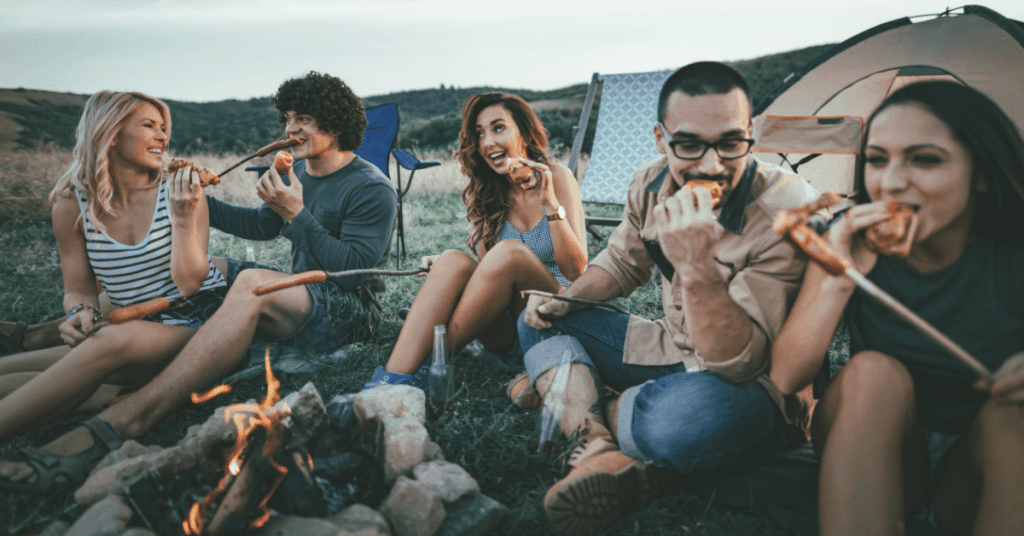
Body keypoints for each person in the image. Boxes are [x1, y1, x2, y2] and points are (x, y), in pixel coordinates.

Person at [0, 71, 397, 492]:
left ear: (334, 124)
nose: (290, 129)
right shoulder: (296, 172)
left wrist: (296, 214)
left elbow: (355, 271)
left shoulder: (371, 187)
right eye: (288, 118)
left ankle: (138, 407)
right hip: (304, 292)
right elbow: (263, 227)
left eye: (303, 119)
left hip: (351, 308)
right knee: (230, 271)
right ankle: (51, 341)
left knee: (250, 283)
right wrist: (197, 200)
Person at [513, 62, 819, 535]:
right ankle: (594, 441)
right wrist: (568, 300)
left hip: (751, 387)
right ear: (661, 139)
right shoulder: (650, 183)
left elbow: (741, 364)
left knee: (684, 423)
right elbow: (622, 263)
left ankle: (581, 399)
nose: (712, 164)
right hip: (671, 348)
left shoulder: (785, 210)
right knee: (536, 318)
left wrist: (697, 265)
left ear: (751, 136)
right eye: (690, 144)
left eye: (731, 142)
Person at [770, 81, 1024, 536]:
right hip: (876, 442)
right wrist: (838, 274)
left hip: (978, 465)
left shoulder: (1010, 255)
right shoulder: (849, 239)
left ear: (982, 173)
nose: (890, 181)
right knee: (870, 373)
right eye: (877, 159)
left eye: (925, 159)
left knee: (1015, 412)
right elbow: (788, 376)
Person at [0, 90, 229, 490]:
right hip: (133, 325)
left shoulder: (179, 192)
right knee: (12, 373)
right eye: (148, 126)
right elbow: (78, 289)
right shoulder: (73, 205)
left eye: (164, 129)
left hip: (194, 323)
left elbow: (191, 282)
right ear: (110, 133)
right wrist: (79, 314)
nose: (161, 137)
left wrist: (182, 217)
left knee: (109, 342)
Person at [365, 92, 586, 388]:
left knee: (511, 253)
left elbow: (576, 271)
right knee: (452, 259)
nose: (487, 142)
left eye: (498, 128)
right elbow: (489, 274)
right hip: (505, 332)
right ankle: (389, 382)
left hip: (554, 319)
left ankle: (433, 352)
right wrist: (445, 273)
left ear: (523, 131)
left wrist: (549, 204)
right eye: (479, 134)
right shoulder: (487, 192)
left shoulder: (557, 178)